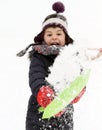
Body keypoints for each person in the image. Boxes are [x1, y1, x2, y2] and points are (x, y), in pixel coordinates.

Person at [17, 1, 102, 130]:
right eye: (49, 34)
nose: (54, 37)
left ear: (65, 37)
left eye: (58, 33)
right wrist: (43, 92)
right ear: (43, 37)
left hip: (64, 109)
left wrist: (77, 90)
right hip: (39, 111)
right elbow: (36, 76)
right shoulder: (39, 56)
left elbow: (78, 75)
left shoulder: (71, 56)